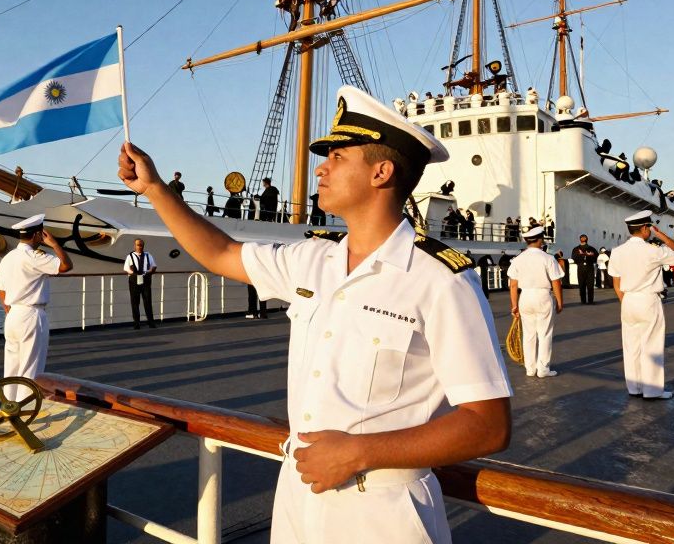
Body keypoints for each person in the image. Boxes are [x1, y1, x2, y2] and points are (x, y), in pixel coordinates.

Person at [118, 85, 512, 543]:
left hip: (383, 511)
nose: (321, 168)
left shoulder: (439, 279)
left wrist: (359, 452)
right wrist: (153, 189)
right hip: (297, 498)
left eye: (339, 157)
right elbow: (222, 252)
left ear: (381, 172)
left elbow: (488, 423)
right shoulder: (312, 259)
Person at [608, 211, 674, 400]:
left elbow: (616, 282)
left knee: (631, 346)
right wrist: (662, 236)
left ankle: (634, 388)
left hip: (628, 300)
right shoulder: (653, 250)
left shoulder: (617, 252)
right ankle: (652, 391)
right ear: (645, 228)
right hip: (648, 299)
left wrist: (625, 301)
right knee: (651, 345)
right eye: (649, 228)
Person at [0, 214, 72, 400]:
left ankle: (9, 407)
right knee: (31, 367)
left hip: (13, 314)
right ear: (38, 234)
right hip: (31, 314)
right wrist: (54, 244)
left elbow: (1, 289)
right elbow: (65, 266)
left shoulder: (8, 257)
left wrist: (9, 310)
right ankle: (26, 407)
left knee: (12, 366)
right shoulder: (35, 257)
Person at [507, 227, 564, 378]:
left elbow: (513, 285)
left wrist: (514, 305)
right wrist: (559, 302)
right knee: (544, 334)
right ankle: (543, 369)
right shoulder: (548, 258)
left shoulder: (518, 259)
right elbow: (556, 282)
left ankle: (530, 368)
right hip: (543, 295)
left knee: (528, 334)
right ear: (540, 239)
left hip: (525, 296)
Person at [123, 239, 158, 329]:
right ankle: (137, 323)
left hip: (145, 279)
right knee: (135, 302)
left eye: (141, 245)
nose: (140, 246)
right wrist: (134, 274)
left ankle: (151, 322)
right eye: (138, 245)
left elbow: (153, 266)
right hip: (134, 280)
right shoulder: (130, 256)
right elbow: (126, 268)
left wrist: (148, 272)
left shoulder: (148, 255)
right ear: (134, 246)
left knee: (147, 301)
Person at [570, 235, 599, 305]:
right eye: (582, 237)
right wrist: (582, 258)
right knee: (581, 285)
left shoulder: (592, 248)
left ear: (587, 239)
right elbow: (574, 257)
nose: (583, 238)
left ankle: (590, 301)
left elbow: (596, 257)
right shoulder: (576, 249)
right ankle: (583, 301)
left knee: (590, 285)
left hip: (590, 268)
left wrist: (588, 257)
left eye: (584, 237)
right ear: (580, 239)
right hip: (580, 268)